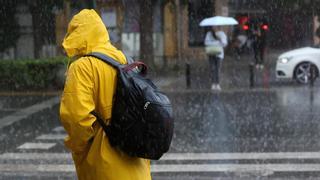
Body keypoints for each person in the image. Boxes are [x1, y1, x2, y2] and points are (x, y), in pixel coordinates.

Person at [59, 9, 151, 180]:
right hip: (136, 163)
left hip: (104, 166)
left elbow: (76, 119)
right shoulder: (125, 60)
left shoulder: (82, 67)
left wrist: (80, 149)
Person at [204, 26, 228, 91]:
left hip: (219, 54)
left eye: (216, 27)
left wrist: (219, 39)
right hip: (211, 53)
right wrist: (216, 43)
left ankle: (217, 84)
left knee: (217, 69)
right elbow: (206, 42)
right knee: (212, 69)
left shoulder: (222, 34)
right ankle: (213, 84)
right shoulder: (209, 34)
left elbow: (224, 44)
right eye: (213, 27)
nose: (215, 28)